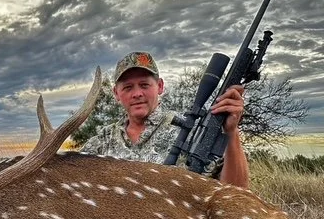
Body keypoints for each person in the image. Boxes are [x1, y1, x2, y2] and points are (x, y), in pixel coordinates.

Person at [80, 51, 249, 188]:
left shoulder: (194, 134)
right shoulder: (103, 141)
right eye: (128, 87)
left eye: (144, 85)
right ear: (116, 93)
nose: (137, 93)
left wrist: (231, 132)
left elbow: (237, 193)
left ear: (160, 86)